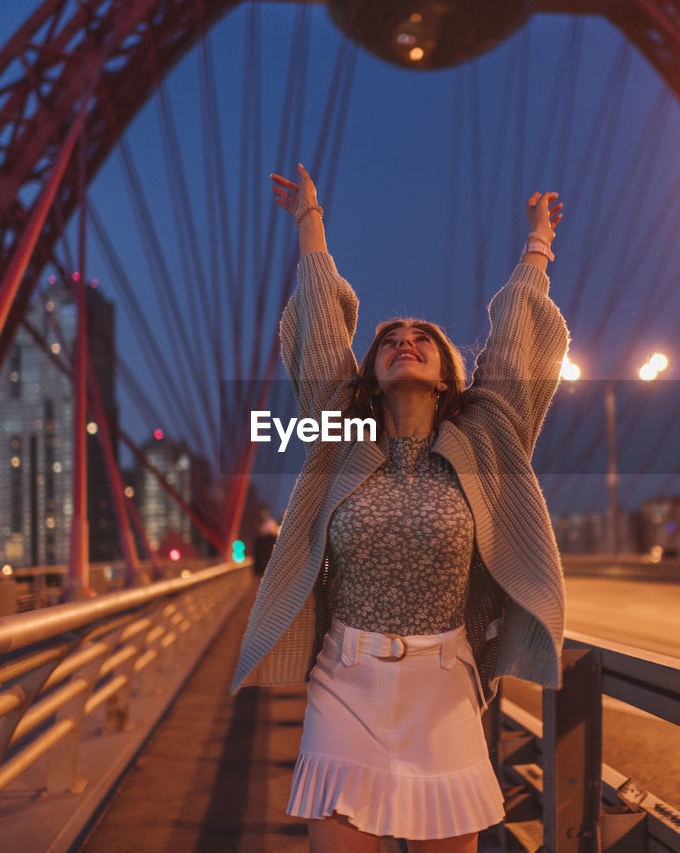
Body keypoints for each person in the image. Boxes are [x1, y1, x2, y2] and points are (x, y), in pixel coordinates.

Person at [231, 163, 568, 852]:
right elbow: (321, 334)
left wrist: (538, 247)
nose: (403, 340)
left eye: (420, 337)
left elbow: (513, 345)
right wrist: (309, 223)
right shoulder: (342, 435)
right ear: (372, 373)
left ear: (446, 372)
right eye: (389, 339)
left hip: (443, 691)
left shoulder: (480, 438)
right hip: (344, 684)